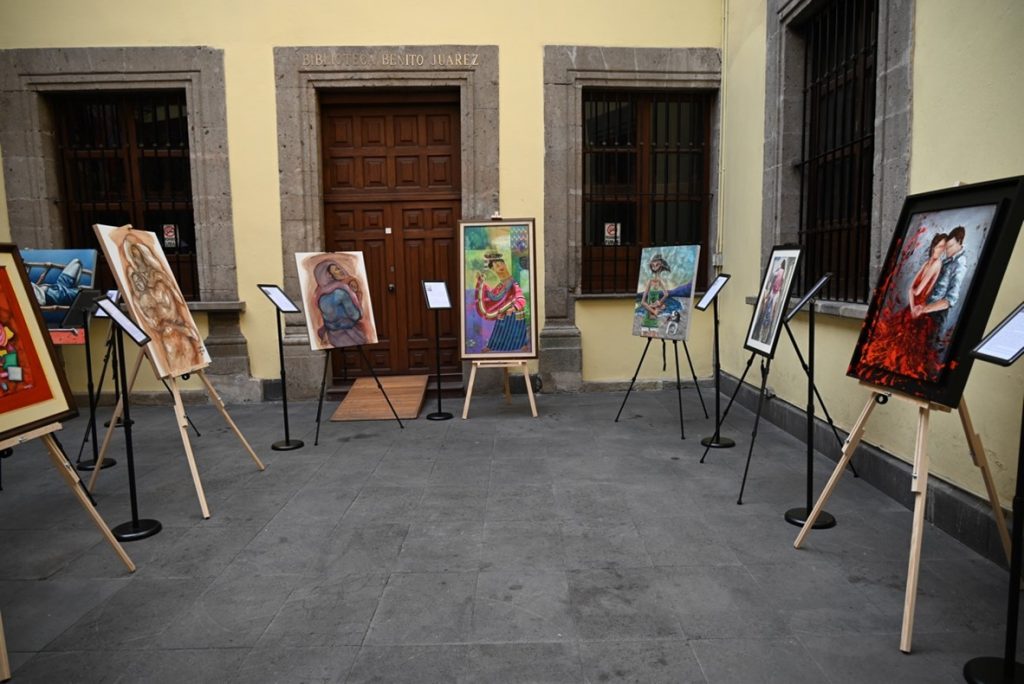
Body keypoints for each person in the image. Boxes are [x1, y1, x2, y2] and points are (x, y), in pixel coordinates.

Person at [120, 232, 206, 374]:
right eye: (133, 256)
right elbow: (147, 314)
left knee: (187, 352)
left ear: (143, 255)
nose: (137, 259)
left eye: (138, 255)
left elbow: (173, 296)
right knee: (172, 356)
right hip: (163, 327)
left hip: (173, 320)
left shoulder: (157, 275)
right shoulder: (137, 283)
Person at [912, 225, 967, 341]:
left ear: (959, 242)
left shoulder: (960, 264)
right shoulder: (948, 260)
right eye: (946, 248)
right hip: (926, 309)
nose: (947, 251)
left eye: (950, 247)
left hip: (936, 316)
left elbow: (950, 300)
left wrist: (924, 309)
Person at [475, 247, 528, 352]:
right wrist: (482, 284)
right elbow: (493, 296)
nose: (500, 267)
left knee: (516, 332)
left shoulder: (512, 282)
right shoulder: (500, 285)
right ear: (493, 270)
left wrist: (514, 307)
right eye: (496, 265)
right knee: (499, 332)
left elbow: (521, 298)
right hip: (503, 314)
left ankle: (522, 345)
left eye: (501, 264)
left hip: (514, 314)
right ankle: (493, 346)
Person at [312, 259, 366, 348]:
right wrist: (358, 297)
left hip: (331, 336)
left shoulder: (319, 295)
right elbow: (356, 316)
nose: (341, 270)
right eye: (336, 269)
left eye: (339, 268)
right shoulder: (341, 293)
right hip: (349, 336)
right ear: (329, 275)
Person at [751, 259, 787, 344]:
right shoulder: (782, 273)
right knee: (769, 315)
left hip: (773, 293)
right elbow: (780, 282)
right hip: (775, 293)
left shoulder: (778, 271)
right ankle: (763, 337)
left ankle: (761, 337)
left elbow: (773, 280)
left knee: (767, 315)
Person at [637, 253, 672, 333]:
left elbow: (666, 294)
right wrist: (654, 310)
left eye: (657, 264)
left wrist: (658, 303)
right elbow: (643, 302)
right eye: (653, 265)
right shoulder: (650, 281)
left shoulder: (659, 281)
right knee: (646, 331)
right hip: (649, 313)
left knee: (653, 332)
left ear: (661, 265)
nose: (655, 267)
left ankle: (654, 312)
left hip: (653, 313)